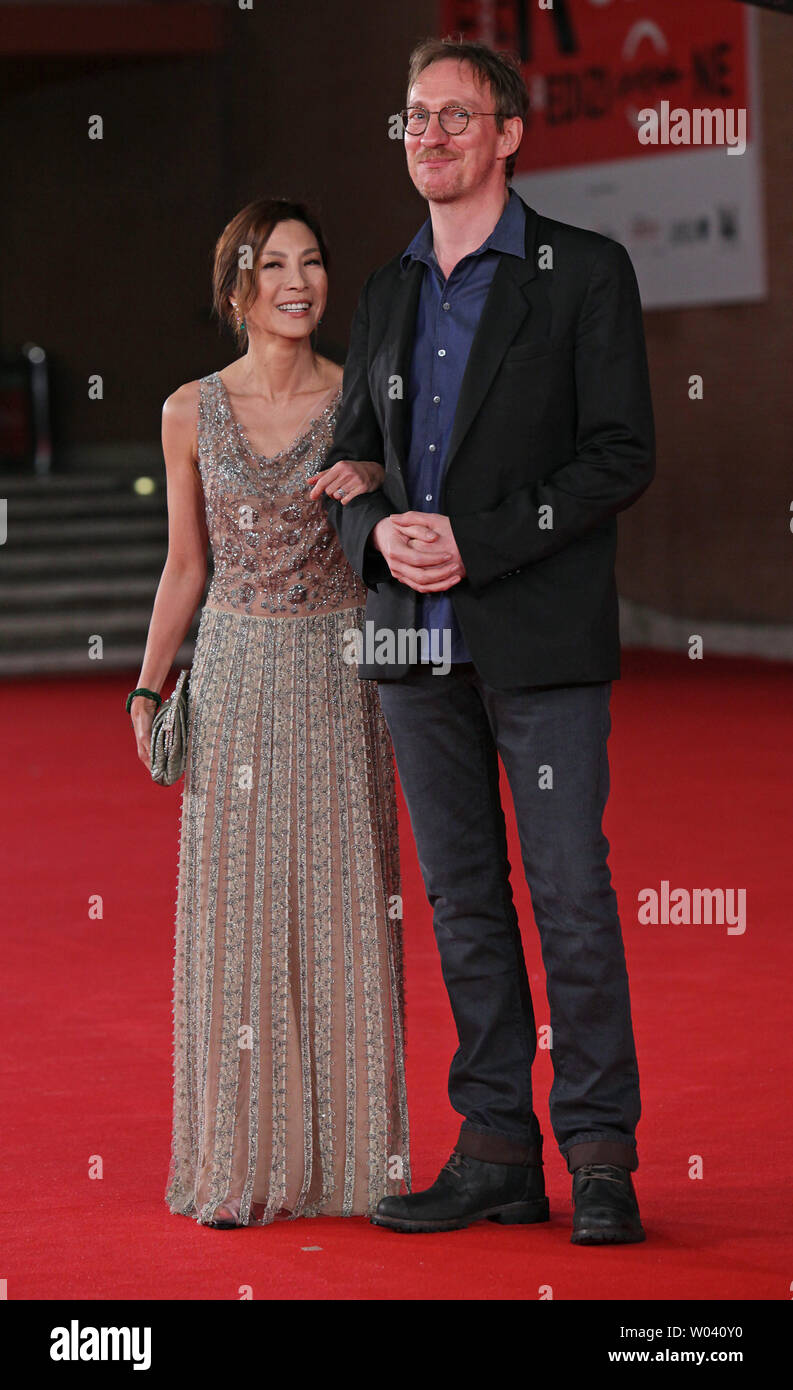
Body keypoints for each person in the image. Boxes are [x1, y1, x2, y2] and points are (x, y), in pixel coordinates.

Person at [320, 37, 655, 1243]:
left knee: (568, 892)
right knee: (462, 899)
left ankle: (601, 1152)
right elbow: (347, 457)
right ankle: (498, 1148)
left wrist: (477, 540)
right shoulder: (386, 291)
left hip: (540, 637)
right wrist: (375, 531)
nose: (432, 138)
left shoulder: (583, 272)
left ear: (510, 134)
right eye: (415, 118)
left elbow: (621, 454)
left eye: (458, 118)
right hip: (412, 643)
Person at [127, 198, 410, 1228]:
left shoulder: (360, 400)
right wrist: (151, 683)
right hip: (237, 669)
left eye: (314, 262)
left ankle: (353, 1169)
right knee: (237, 913)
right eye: (275, 264)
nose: (300, 282)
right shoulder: (185, 410)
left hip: (344, 671)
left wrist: (377, 477)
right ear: (237, 285)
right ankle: (239, 1170)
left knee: (345, 906)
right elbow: (185, 565)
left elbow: (401, 527)